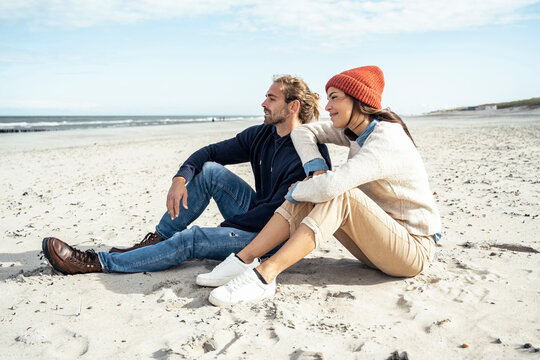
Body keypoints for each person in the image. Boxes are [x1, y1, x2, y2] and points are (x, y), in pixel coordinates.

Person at [42, 75, 331, 278]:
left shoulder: (311, 152)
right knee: (210, 172)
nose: (263, 103)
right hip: (257, 214)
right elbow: (209, 152)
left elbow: (289, 211)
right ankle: (159, 238)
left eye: (271, 98)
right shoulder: (262, 135)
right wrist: (179, 179)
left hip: (272, 239)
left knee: (192, 240)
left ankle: (96, 262)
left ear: (292, 107)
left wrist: (230, 226)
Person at [201, 66, 442, 307]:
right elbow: (304, 131)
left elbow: (330, 188)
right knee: (317, 186)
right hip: (376, 246)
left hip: (411, 252)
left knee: (339, 194)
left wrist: (299, 189)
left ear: (359, 100)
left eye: (335, 97)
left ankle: (265, 275)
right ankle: (244, 259)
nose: (327, 107)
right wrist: (315, 168)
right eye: (328, 99)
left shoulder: (386, 139)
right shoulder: (356, 132)